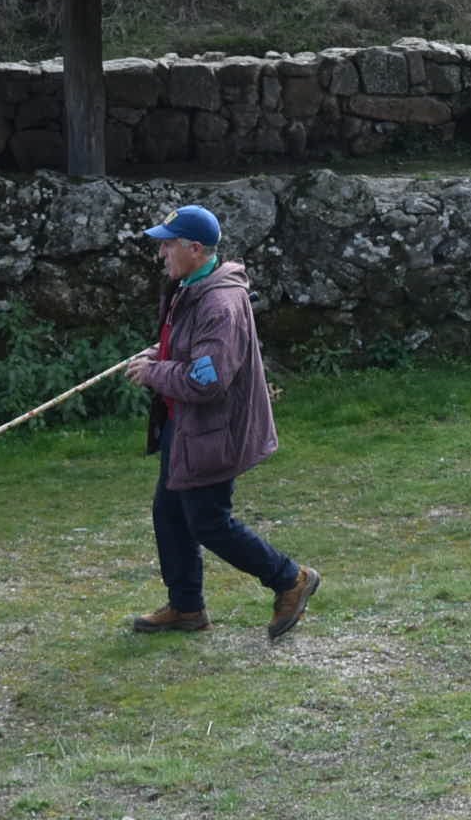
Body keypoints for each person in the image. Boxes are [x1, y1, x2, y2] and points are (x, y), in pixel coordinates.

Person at [117, 204, 320, 642]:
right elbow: (192, 354)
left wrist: (154, 373)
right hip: (186, 426)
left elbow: (206, 379)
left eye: (168, 244)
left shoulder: (219, 302)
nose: (161, 253)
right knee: (169, 513)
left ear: (194, 248)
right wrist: (161, 354)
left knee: (208, 521)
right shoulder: (190, 286)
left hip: (213, 431)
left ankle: (290, 579)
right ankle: (186, 607)